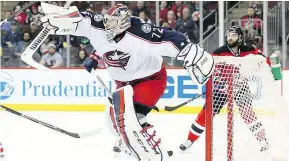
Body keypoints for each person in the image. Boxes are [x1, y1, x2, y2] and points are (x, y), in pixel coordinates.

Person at [40, 3, 214, 161]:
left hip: (150, 80)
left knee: (131, 117)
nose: (108, 25)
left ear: (124, 23)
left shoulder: (141, 33)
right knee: (111, 120)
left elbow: (170, 38)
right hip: (123, 83)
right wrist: (62, 17)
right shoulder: (100, 25)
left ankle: (157, 152)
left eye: (113, 23)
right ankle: (128, 140)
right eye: (107, 21)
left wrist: (195, 54)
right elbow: (84, 21)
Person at [179, 26, 282, 152]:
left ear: (240, 38)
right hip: (222, 88)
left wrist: (273, 63)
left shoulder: (249, 50)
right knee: (207, 113)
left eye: (233, 35)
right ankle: (190, 139)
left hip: (240, 87)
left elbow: (263, 58)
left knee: (247, 114)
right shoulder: (219, 52)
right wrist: (218, 80)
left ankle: (262, 140)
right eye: (228, 35)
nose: (230, 38)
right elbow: (209, 67)